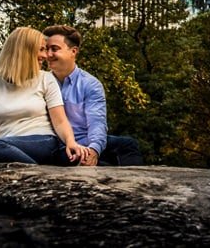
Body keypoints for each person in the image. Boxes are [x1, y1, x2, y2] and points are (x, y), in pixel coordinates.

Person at [0, 27, 88, 165]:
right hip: (5, 147)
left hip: (43, 142)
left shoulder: (46, 79)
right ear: (25, 51)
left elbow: (60, 121)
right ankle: (35, 168)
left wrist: (71, 142)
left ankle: (40, 173)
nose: (46, 55)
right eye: (41, 49)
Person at [42, 25, 143, 166]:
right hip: (55, 144)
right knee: (102, 166)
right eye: (46, 49)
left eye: (54, 49)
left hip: (85, 141)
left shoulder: (90, 84)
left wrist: (93, 150)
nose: (48, 54)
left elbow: (97, 123)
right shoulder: (41, 82)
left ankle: (135, 185)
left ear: (73, 51)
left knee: (127, 145)